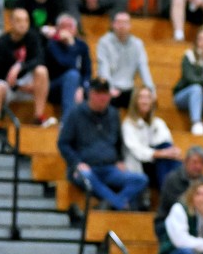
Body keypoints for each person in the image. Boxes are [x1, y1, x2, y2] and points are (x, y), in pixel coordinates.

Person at [57, 78, 149, 212]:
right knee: (87, 177)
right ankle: (119, 204)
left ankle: (110, 204)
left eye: (105, 94)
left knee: (140, 179)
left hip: (109, 168)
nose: (102, 97)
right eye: (98, 93)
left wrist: (119, 160)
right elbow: (63, 143)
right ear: (91, 94)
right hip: (86, 167)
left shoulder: (113, 114)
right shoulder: (76, 113)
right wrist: (76, 163)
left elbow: (118, 142)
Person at [0, 8, 51, 145]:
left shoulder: (32, 37)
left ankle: (39, 117)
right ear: (11, 22)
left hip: (25, 83)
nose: (23, 24)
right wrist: (17, 86)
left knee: (42, 71)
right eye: (19, 20)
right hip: (7, 86)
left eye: (26, 20)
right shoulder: (1, 44)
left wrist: (19, 67)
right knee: (0, 87)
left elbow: (39, 59)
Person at [121, 87, 182, 190]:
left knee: (169, 152)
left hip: (157, 164)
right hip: (139, 165)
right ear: (135, 101)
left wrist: (173, 152)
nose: (145, 101)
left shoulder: (158, 122)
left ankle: (175, 190)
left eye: (148, 98)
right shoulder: (128, 124)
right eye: (141, 97)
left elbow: (166, 144)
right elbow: (138, 152)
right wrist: (161, 153)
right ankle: (169, 192)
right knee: (164, 157)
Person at [97, 12, 155, 111]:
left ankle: (141, 125)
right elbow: (103, 69)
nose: (122, 26)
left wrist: (151, 90)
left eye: (125, 23)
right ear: (113, 24)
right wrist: (109, 88)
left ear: (130, 26)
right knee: (105, 97)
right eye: (119, 22)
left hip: (129, 88)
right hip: (111, 86)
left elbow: (143, 68)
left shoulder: (138, 44)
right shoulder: (104, 42)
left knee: (144, 99)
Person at [44, 14, 91, 124]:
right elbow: (66, 64)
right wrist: (71, 45)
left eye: (70, 27)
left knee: (98, 89)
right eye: (63, 27)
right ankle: (67, 123)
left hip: (75, 86)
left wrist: (81, 88)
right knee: (72, 75)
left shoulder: (82, 46)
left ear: (75, 30)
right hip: (53, 87)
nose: (67, 30)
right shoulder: (52, 44)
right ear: (57, 29)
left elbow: (87, 71)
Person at [155, 146, 203, 237]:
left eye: (202, 163)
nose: (198, 166)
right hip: (168, 222)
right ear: (186, 162)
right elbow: (174, 204)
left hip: (196, 224)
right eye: (195, 162)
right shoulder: (172, 179)